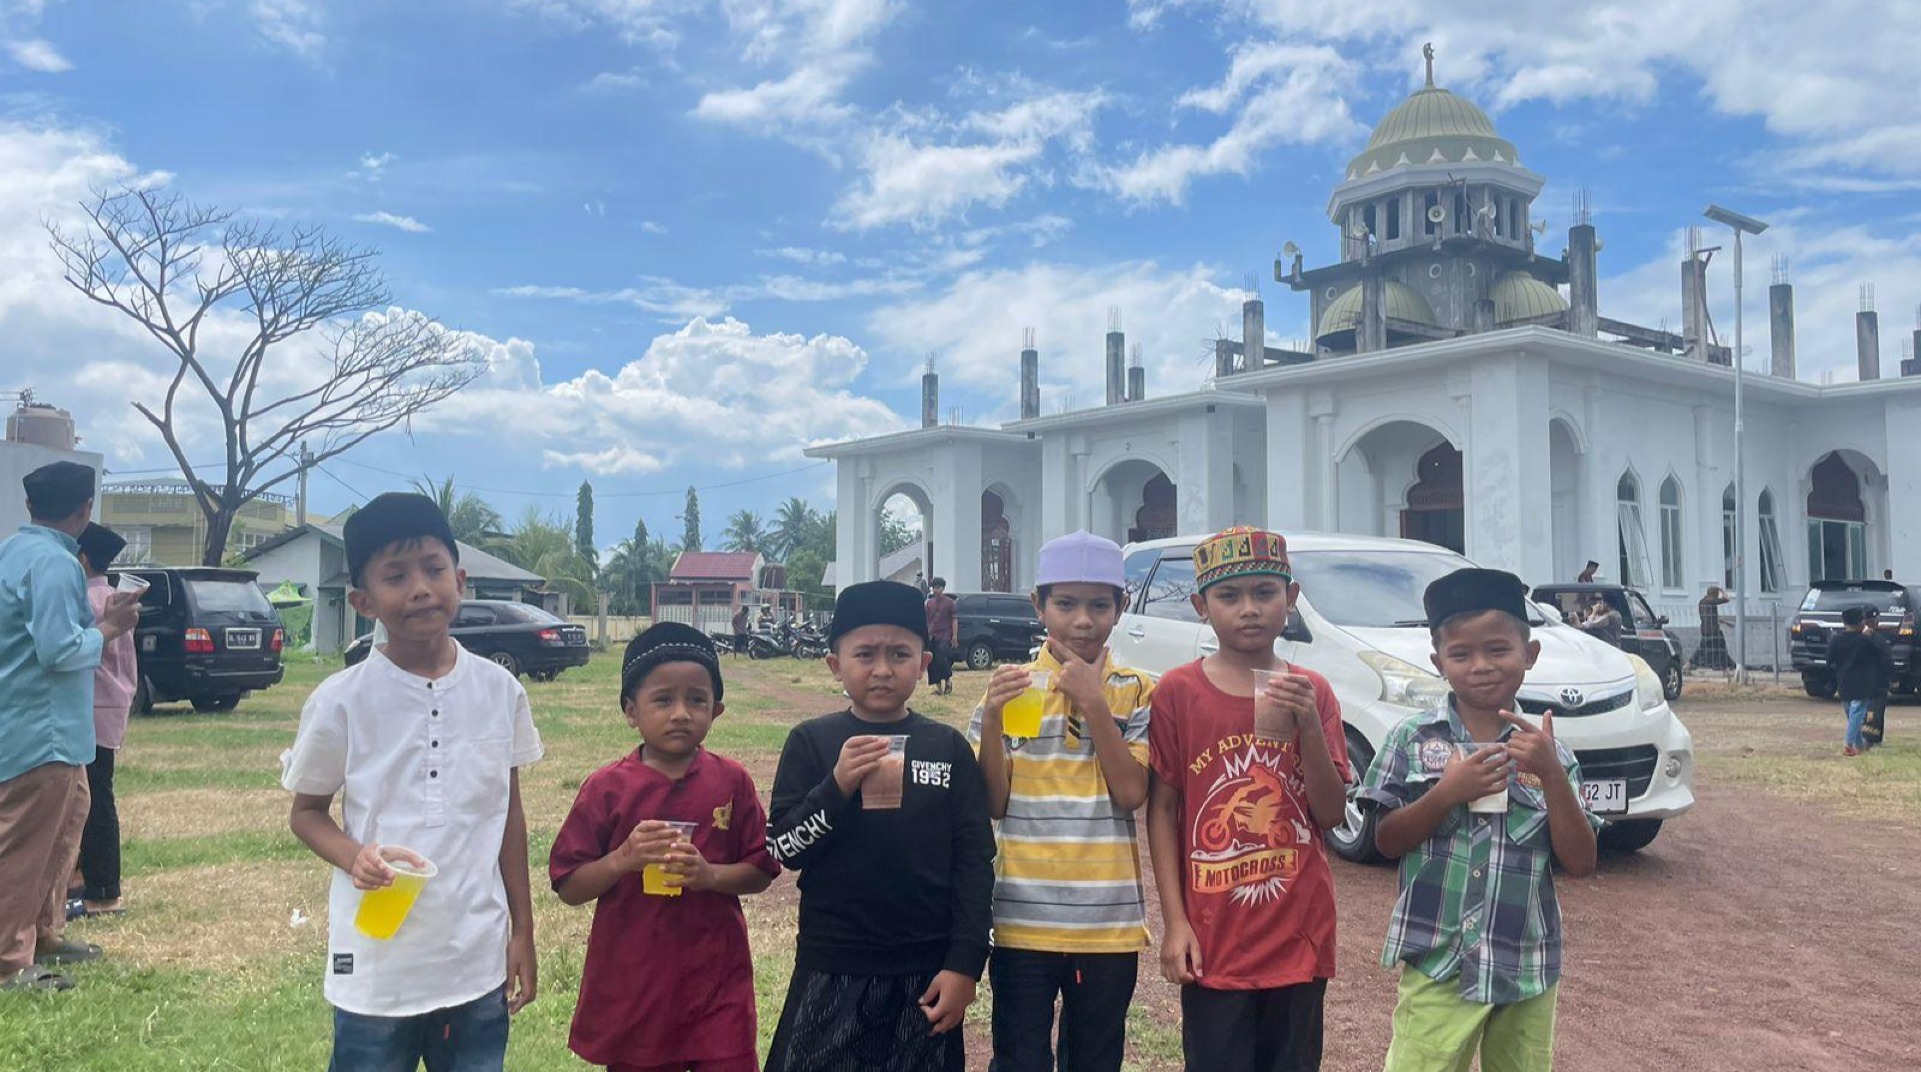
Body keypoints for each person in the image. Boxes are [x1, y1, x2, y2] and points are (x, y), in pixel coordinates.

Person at [282, 492, 542, 1070]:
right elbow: (306, 812)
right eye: (395, 576)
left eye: (434, 568)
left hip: (473, 962)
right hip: (377, 968)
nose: (420, 587)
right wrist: (355, 857)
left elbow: (510, 818)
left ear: (461, 578)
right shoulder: (341, 701)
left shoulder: (501, 693)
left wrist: (523, 931)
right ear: (363, 601)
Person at [1360, 567, 1600, 1072]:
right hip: (1438, 961)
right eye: (1461, 654)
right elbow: (1385, 840)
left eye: (1498, 650)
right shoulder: (1411, 739)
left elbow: (1580, 860)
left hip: (1525, 967)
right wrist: (1446, 794)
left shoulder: (1551, 754)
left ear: (1529, 655)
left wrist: (1552, 775)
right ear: (1438, 661)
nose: (1481, 666)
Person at [764, 580, 996, 1072]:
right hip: (834, 963)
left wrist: (965, 964)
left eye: (899, 653)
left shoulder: (947, 747)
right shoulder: (812, 742)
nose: (883, 669)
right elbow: (784, 847)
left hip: (925, 970)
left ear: (924, 663)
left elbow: (975, 861)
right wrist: (836, 786)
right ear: (835, 665)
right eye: (865, 654)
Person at [1146, 527, 1349, 1072]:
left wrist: (1307, 722)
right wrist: (1175, 921)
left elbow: (1330, 814)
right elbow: (1162, 809)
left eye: (1265, 592)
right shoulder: (1177, 693)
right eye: (1229, 597)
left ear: (1292, 598)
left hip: (1298, 936)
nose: (1249, 610)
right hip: (1215, 939)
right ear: (1200, 607)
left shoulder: (1314, 691)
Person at [550, 623, 778, 1071]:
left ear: (717, 710)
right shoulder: (607, 789)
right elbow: (569, 887)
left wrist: (710, 875)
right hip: (636, 984)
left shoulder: (730, 781)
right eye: (663, 700)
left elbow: (761, 869)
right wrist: (622, 859)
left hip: (717, 982)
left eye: (696, 699)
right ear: (631, 711)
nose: (680, 713)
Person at [968, 531, 1154, 1072]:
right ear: (1038, 605)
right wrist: (996, 719)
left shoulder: (1138, 689)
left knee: (1096, 1058)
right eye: (1066, 604)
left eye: (1099, 605)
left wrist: (1097, 705)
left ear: (1120, 608)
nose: (1082, 621)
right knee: (1019, 1057)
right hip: (1024, 917)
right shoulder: (1012, 688)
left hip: (1107, 923)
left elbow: (1132, 792)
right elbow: (995, 803)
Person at [0, 463, 138, 991]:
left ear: (31, 507)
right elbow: (58, 651)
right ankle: (11, 959)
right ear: (84, 510)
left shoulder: (15, 552)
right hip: (43, 729)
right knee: (26, 845)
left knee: (67, 825)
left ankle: (44, 930)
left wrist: (98, 622)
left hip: (48, 728)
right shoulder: (55, 565)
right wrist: (110, 627)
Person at [75, 523, 138, 917]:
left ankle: (103, 889)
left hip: (90, 707)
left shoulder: (84, 600)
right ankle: (85, 880)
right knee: (95, 794)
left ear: (82, 558)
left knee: (94, 800)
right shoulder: (117, 598)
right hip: (114, 704)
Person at [1827, 605, 1893, 758]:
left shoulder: (1836, 640)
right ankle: (1849, 744)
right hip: (1862, 684)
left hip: (1843, 682)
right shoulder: (1865, 641)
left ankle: (1858, 745)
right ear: (1860, 622)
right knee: (1856, 714)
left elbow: (1829, 660)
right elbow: (1879, 654)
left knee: (1852, 715)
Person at [924, 577, 959, 696]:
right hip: (931, 636)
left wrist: (954, 636)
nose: (935, 590)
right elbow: (926, 620)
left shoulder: (950, 603)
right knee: (932, 662)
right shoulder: (929, 603)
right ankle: (938, 688)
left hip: (945, 635)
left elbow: (954, 620)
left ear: (943, 588)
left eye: (938, 588)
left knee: (942, 660)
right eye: (934, 588)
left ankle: (948, 683)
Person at [1690, 586, 1734, 672]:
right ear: (1714, 594)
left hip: (1705, 630)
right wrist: (1721, 590)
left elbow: (1711, 617)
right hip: (1713, 631)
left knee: (1705, 648)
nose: (1717, 596)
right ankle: (1724, 666)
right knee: (1719, 648)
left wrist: (1725, 623)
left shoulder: (1702, 602)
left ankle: (1725, 666)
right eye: (1717, 594)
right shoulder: (1711, 601)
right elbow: (1727, 599)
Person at [1863, 609, 1889, 749]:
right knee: (1874, 711)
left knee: (1866, 710)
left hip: (1860, 680)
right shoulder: (1877, 638)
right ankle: (1870, 740)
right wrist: (1891, 676)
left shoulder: (1856, 636)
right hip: (1877, 680)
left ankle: (1873, 738)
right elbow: (1886, 659)